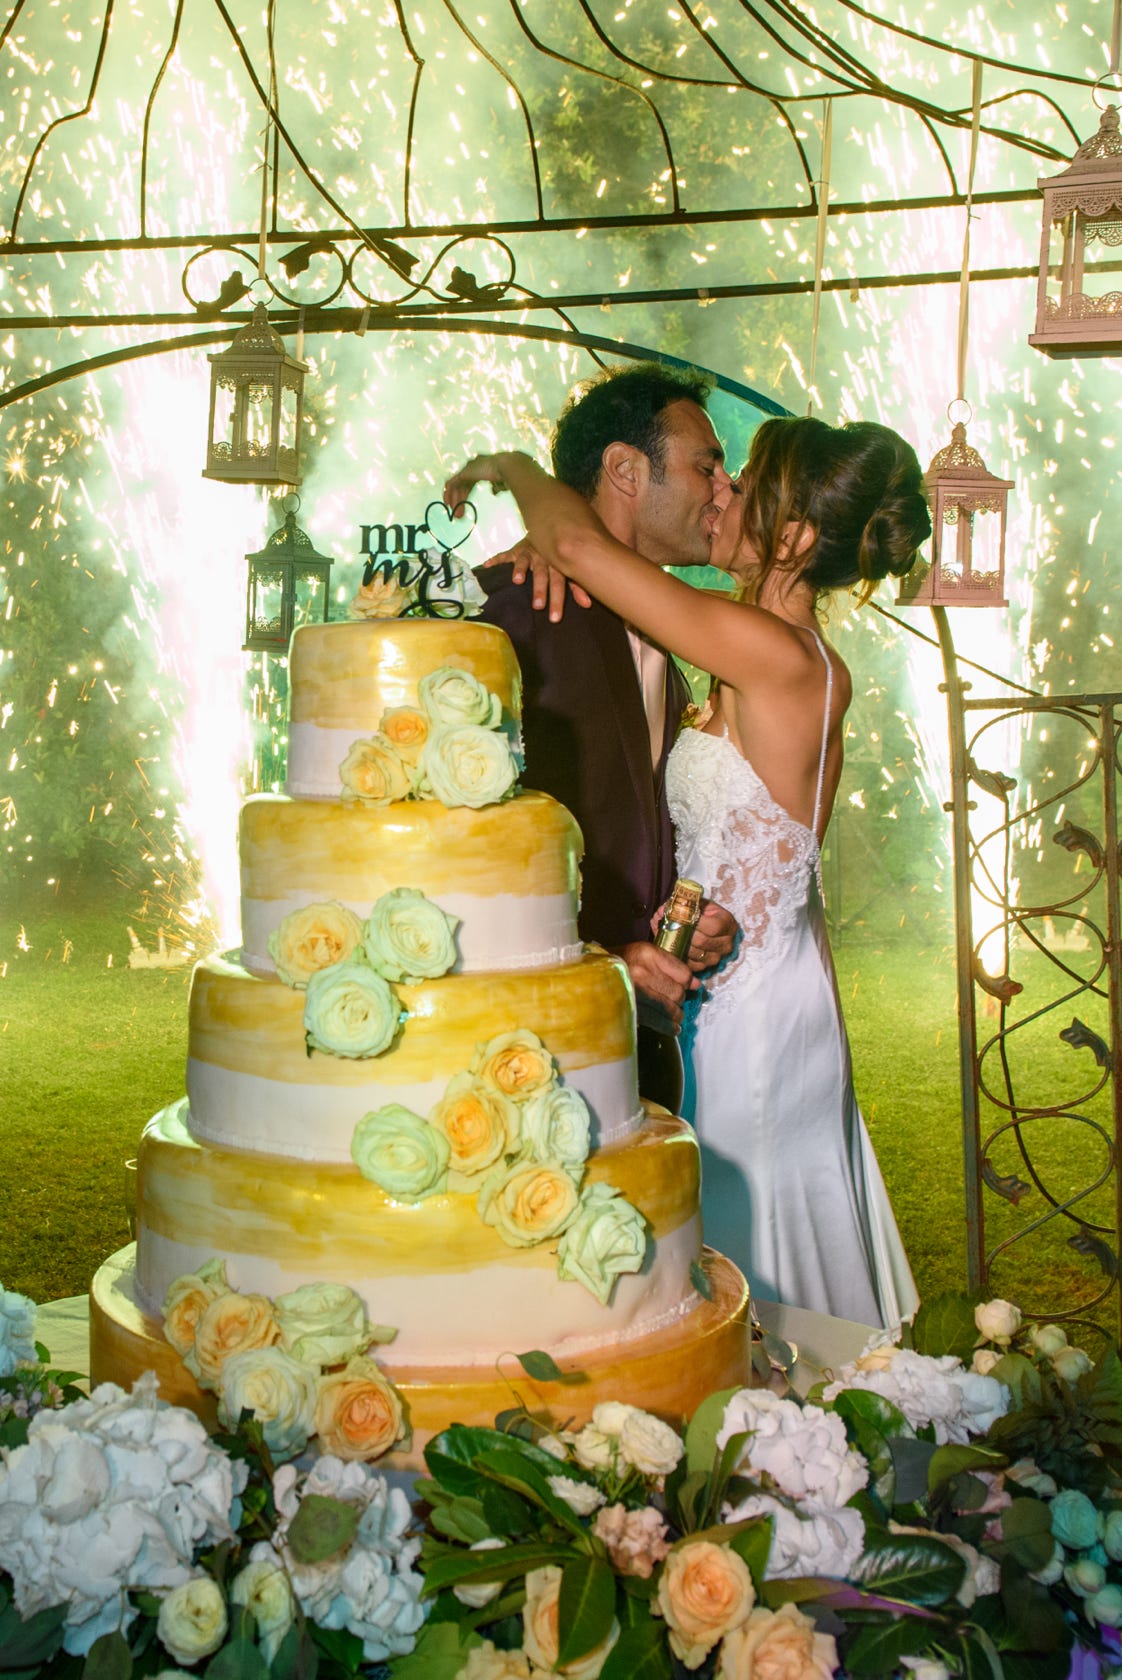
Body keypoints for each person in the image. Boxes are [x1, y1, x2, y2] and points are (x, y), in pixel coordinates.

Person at [445, 414, 929, 1328]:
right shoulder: (754, 652)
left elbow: (583, 543)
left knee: (745, 1255)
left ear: (790, 538)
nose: (720, 494)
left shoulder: (773, 654)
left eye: (740, 483)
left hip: (754, 1020)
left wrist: (510, 464)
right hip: (729, 982)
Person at [474, 365, 737, 1112]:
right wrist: (604, 960)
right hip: (533, 1054)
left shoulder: (669, 634)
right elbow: (465, 847)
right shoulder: (515, 613)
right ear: (625, 470)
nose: (722, 489)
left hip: (636, 1045)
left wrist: (674, 920)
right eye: (705, 465)